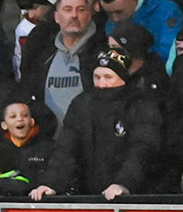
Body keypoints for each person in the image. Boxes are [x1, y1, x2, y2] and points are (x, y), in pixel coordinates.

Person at [29, 44, 160, 202]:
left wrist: (124, 183)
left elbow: (143, 148)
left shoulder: (140, 104)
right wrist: (51, 183)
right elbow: (66, 148)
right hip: (88, 193)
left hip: (133, 197)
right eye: (97, 77)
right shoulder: (82, 104)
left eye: (108, 77)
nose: (102, 84)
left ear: (123, 78)